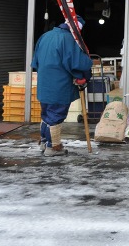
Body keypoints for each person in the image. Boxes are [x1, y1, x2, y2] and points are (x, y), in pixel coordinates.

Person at [31, 14, 93, 157]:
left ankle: (45, 142)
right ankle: (54, 147)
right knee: (55, 115)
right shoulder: (68, 39)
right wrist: (82, 75)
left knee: (47, 114)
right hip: (59, 85)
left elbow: (35, 62)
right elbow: (78, 63)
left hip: (44, 85)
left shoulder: (45, 36)